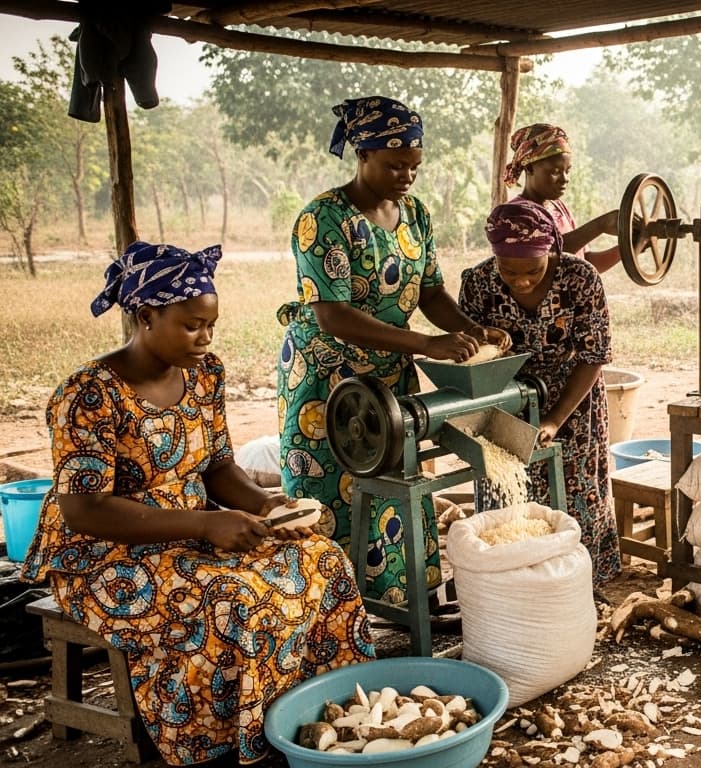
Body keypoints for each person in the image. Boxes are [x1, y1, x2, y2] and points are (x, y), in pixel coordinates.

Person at [22, 242, 375, 765]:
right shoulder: (89, 394)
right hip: (104, 553)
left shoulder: (205, 374)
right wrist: (206, 525)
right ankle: (221, 744)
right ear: (146, 316)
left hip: (195, 526)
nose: (205, 338)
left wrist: (268, 506)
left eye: (211, 325)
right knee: (232, 599)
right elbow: (84, 511)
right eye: (192, 326)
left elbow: (217, 467)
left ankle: (313, 719)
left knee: (321, 560)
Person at [276, 96, 509, 605]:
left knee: (394, 483)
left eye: (414, 166)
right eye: (394, 164)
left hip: (386, 371)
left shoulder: (415, 215)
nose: (407, 175)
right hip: (328, 379)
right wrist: (426, 343)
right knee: (331, 489)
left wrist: (473, 332)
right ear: (362, 155)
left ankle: (396, 602)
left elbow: (429, 292)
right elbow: (332, 315)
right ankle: (328, 609)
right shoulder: (323, 219)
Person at [458, 199, 620, 585]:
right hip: (506, 401)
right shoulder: (478, 283)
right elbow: (470, 355)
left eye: (532, 269)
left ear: (551, 249)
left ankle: (578, 583)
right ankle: (510, 582)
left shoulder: (580, 279)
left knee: (576, 488)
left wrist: (554, 418)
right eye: (508, 270)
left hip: (573, 401)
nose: (522, 280)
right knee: (507, 496)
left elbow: (594, 355)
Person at [503, 122, 623, 273]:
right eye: (555, 171)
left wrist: (627, 247)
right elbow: (548, 256)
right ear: (529, 168)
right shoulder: (515, 214)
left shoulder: (559, 208)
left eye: (567, 171)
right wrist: (601, 225)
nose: (565, 178)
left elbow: (586, 263)